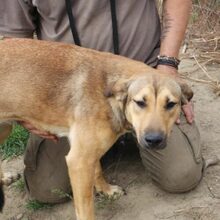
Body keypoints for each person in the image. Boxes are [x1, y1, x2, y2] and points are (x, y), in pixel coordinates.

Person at [0, 0, 204, 203]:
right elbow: (15, 42)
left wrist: (167, 69)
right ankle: (100, 153)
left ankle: (118, 141)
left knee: (181, 176)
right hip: (64, 92)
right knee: (47, 191)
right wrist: (25, 109)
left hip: (146, 80)